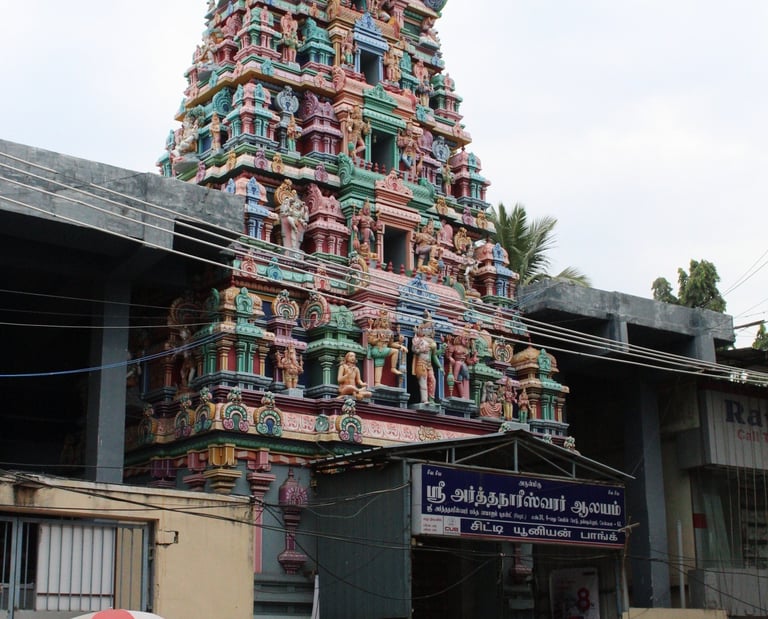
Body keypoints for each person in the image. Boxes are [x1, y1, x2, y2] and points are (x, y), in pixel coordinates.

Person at [411, 312, 442, 403]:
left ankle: (431, 399)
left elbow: (434, 355)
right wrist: (420, 350)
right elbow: (414, 350)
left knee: (432, 380)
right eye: (427, 328)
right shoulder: (418, 340)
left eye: (430, 328)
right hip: (421, 363)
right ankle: (424, 400)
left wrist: (440, 366)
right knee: (423, 382)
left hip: (429, 365)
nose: (429, 331)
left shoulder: (432, 342)